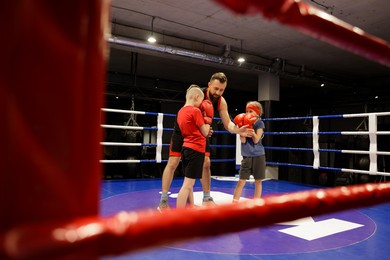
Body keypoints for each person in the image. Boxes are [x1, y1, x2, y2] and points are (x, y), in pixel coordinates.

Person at [158, 72, 253, 210]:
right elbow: (186, 116)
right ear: (209, 85)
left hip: (200, 133)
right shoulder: (198, 95)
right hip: (183, 129)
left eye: (221, 90)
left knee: (206, 163)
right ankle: (163, 200)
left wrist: (238, 130)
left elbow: (228, 124)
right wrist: (204, 128)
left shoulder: (221, 101)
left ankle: (206, 197)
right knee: (173, 162)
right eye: (216, 88)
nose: (218, 92)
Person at [175, 85, 212, 208]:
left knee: (188, 182)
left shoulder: (180, 111)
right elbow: (205, 132)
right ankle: (179, 215)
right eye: (200, 101)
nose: (200, 105)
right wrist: (208, 119)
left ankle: (190, 207)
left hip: (185, 148)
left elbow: (190, 129)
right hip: (196, 149)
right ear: (196, 97)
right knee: (187, 185)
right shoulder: (195, 111)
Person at [232, 101, 266, 203]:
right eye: (246, 111)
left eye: (250, 111)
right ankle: (234, 203)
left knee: (258, 181)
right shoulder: (243, 122)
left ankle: (256, 203)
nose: (248, 113)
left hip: (258, 155)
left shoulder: (260, 123)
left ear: (257, 113)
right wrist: (242, 131)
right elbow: (243, 141)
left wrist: (251, 130)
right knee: (241, 181)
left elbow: (256, 140)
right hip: (246, 156)